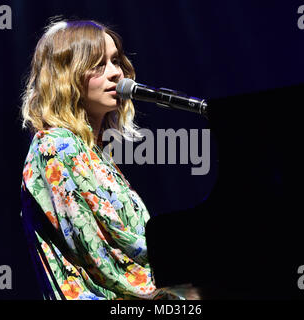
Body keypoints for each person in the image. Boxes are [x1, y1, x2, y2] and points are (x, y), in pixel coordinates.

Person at [20, 18, 191, 300]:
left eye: (115, 61)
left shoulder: (94, 153)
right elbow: (107, 259)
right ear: (66, 75)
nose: (116, 74)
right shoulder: (55, 147)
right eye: (98, 65)